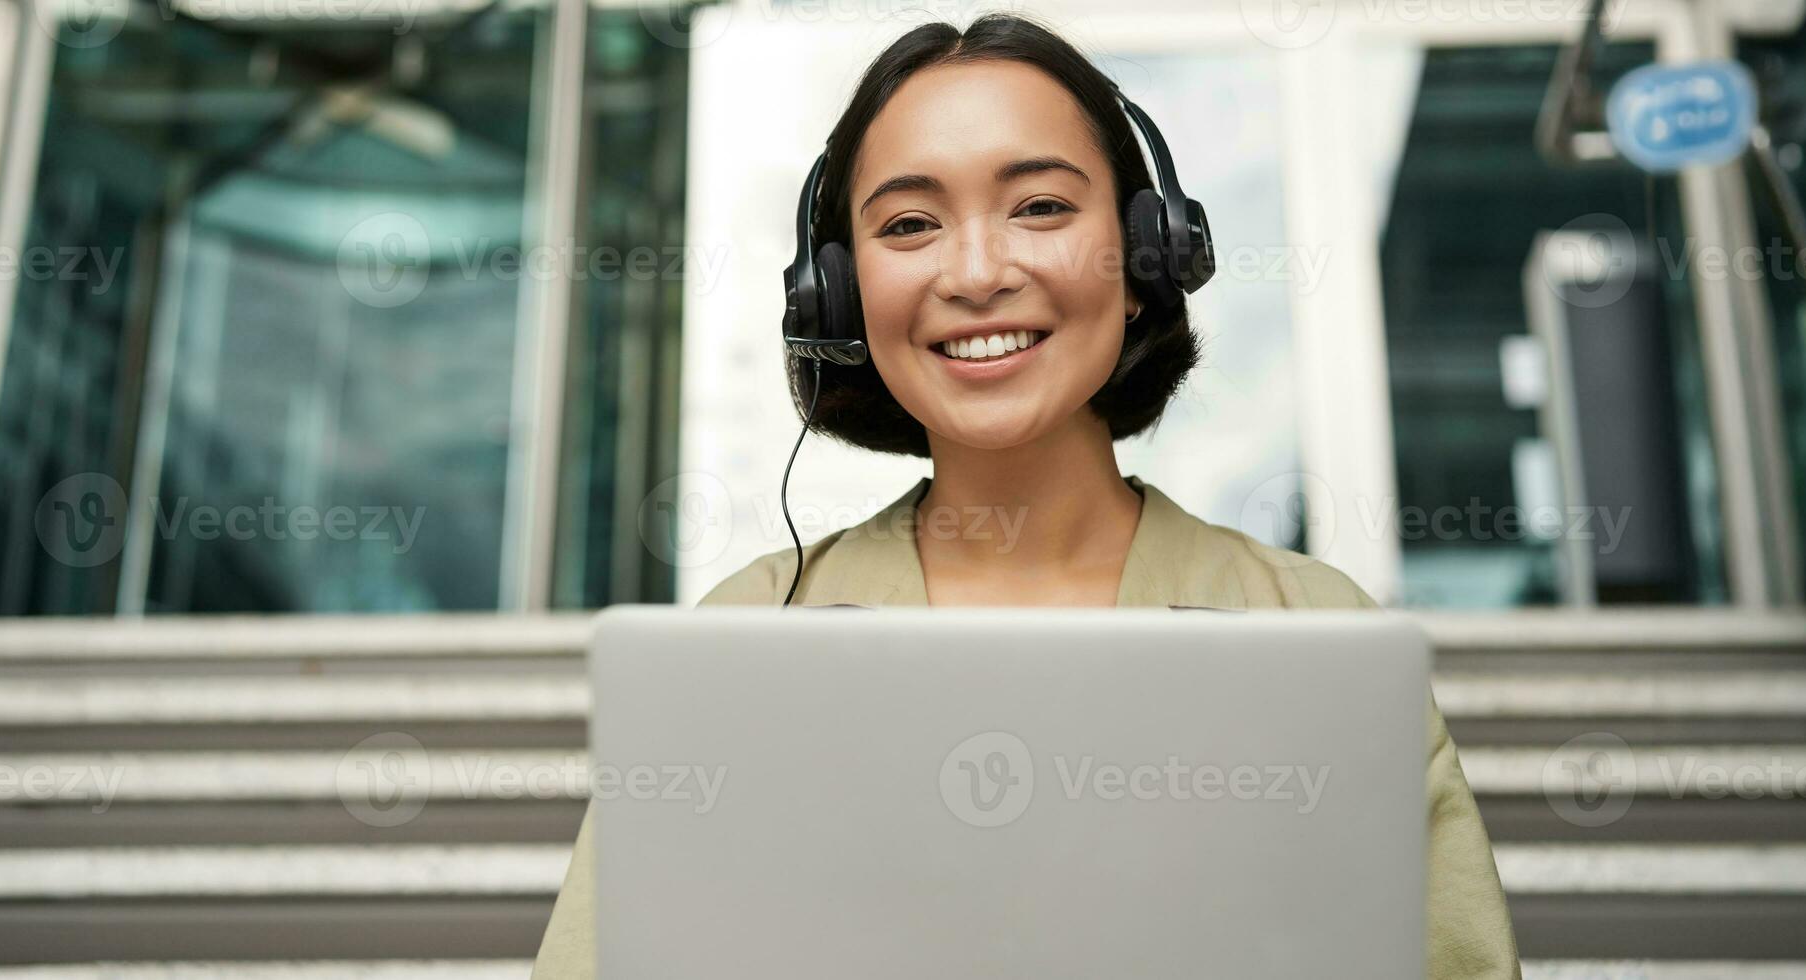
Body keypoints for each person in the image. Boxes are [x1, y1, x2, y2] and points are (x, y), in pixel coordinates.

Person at [534, 12, 1516, 977]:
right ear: (836, 297)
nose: (975, 272)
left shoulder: (1314, 633)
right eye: (910, 223)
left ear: (1145, 258)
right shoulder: (746, 636)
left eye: (1040, 206)